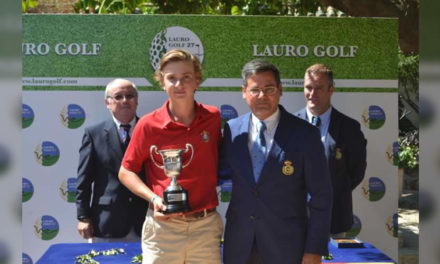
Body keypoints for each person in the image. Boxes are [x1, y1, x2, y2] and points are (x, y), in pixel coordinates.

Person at [221, 59, 333, 264]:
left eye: (269, 88)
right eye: (255, 89)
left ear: (280, 90)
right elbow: (215, 174)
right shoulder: (231, 130)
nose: (262, 96)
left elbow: (321, 196)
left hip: (287, 247)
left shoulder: (305, 134)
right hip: (240, 245)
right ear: (244, 92)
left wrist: (314, 250)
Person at [118, 49, 223, 264]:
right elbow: (126, 171)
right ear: (162, 83)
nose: (179, 84)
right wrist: (154, 198)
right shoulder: (148, 124)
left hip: (205, 226)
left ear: (197, 81)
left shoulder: (213, 118)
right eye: (171, 78)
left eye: (186, 77)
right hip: (163, 229)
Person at [295, 63, 367, 237]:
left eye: (319, 88)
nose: (312, 94)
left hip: (335, 219)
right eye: (308, 87)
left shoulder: (349, 128)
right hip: (295, 219)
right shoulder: (290, 125)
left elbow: (356, 171)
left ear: (331, 89)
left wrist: (331, 193)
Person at [76, 78, 148, 242]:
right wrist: (82, 217)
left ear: (136, 101)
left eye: (129, 96)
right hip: (107, 222)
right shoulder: (94, 134)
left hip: (146, 221)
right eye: (118, 96)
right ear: (107, 102)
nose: (124, 101)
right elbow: (84, 180)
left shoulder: (150, 130)